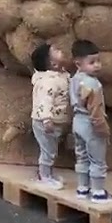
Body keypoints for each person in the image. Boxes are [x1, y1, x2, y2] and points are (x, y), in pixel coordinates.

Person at [69, 40, 112, 203]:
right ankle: (98, 192)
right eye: (92, 62)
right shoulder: (93, 84)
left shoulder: (74, 79)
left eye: (98, 61)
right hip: (90, 124)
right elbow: (95, 112)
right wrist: (102, 129)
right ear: (78, 63)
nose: (97, 65)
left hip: (77, 121)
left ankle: (82, 188)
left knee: (81, 156)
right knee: (97, 159)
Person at [29, 42, 69, 190]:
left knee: (51, 150)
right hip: (45, 122)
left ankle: (48, 174)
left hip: (54, 122)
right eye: (56, 51)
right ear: (53, 63)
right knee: (48, 151)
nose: (61, 51)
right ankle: (44, 176)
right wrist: (47, 119)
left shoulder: (60, 76)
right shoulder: (49, 82)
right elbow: (45, 100)